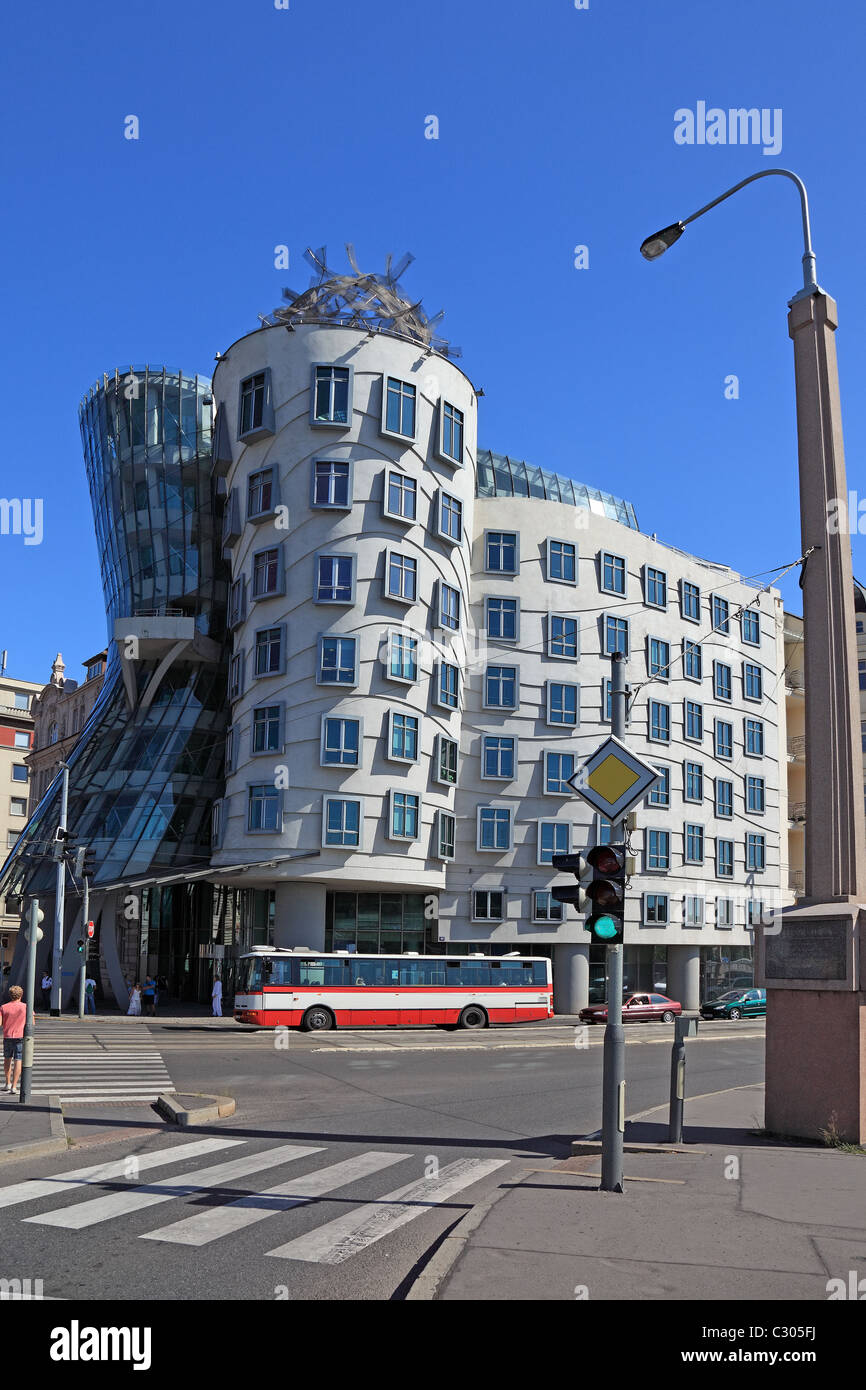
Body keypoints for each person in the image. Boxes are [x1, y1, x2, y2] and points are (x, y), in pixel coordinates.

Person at [1, 985, 27, 1094]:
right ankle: (14, 1086)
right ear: (21, 995)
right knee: (18, 1060)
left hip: (7, 1036)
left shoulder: (3, 1007)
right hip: (20, 1037)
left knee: (7, 1059)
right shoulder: (26, 1007)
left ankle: (7, 1083)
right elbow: (32, 1024)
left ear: (10, 995)